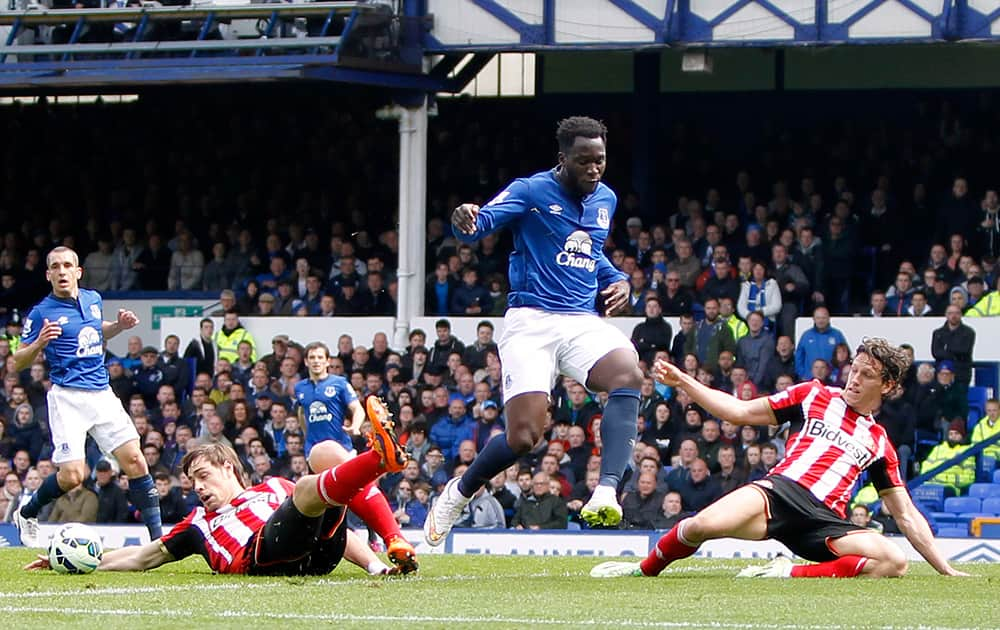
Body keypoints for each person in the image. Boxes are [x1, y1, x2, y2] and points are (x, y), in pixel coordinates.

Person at [424, 116, 644, 545]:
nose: (594, 169)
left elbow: (590, 253)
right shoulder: (531, 189)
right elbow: (480, 224)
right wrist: (463, 219)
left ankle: (605, 490)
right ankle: (460, 491)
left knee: (628, 376)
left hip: (581, 320)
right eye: (584, 161)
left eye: (600, 161)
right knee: (524, 438)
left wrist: (618, 278)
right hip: (531, 322)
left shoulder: (606, 200)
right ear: (563, 160)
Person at [592, 337, 968, 579]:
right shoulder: (813, 395)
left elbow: (904, 514)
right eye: (854, 370)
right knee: (699, 526)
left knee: (893, 561)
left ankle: (785, 573)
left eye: (866, 375)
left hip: (825, 524)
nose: (854, 379)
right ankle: (642, 570)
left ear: (886, 386)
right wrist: (685, 383)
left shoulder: (879, 441)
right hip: (778, 492)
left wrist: (945, 569)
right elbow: (738, 411)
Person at [25, 401, 409, 577]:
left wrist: (374, 568)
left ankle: (389, 536)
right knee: (312, 487)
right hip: (262, 555)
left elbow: (341, 532)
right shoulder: (197, 524)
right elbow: (142, 558)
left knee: (325, 454)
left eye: (203, 476)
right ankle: (379, 460)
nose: (198, 489)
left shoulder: (273, 486)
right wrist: (86, 562)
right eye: (192, 483)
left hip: (318, 556)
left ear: (228, 467)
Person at [12, 246, 163, 547]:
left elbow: (96, 331)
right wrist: (39, 343)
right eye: (55, 267)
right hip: (68, 398)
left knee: (136, 461)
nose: (62, 271)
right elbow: (17, 361)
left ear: (78, 271)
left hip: (101, 393)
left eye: (67, 265)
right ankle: (26, 512)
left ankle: (160, 542)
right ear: (48, 274)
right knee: (71, 477)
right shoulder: (42, 311)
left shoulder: (93, 299)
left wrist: (119, 326)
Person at [293, 341, 417, 572]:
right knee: (342, 508)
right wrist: (307, 435)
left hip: (339, 448)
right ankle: (389, 539)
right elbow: (302, 412)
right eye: (312, 357)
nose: (316, 361)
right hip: (315, 452)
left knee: (337, 508)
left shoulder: (338, 384)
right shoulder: (301, 388)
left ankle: (381, 554)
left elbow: (357, 409)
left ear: (328, 361)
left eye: (320, 357)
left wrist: (357, 427)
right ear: (307, 361)